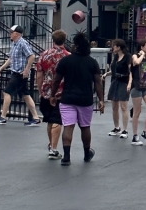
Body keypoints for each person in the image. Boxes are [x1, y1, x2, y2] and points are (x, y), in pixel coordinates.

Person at [52, 32, 103, 165]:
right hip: (85, 99)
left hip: (68, 98)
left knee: (68, 127)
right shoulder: (92, 63)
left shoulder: (66, 61)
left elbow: (56, 79)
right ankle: (86, 153)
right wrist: (101, 99)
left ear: (75, 47)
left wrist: (52, 94)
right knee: (85, 127)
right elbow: (98, 82)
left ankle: (66, 157)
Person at [0, 26, 40, 125]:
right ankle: (36, 118)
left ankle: (3, 117)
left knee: (7, 93)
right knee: (25, 95)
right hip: (16, 72)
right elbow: (11, 59)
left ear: (16, 34)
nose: (9, 34)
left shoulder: (22, 43)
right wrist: (0, 69)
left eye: (11, 32)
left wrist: (26, 70)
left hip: (19, 73)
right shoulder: (14, 44)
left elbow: (32, 56)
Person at [34, 30, 70, 159]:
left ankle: (51, 145)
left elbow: (39, 75)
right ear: (64, 40)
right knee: (57, 120)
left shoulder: (44, 55)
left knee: (49, 120)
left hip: (47, 90)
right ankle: (53, 149)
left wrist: (40, 90)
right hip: (61, 92)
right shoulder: (68, 56)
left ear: (53, 40)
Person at [106, 39, 131, 137]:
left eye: (114, 46)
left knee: (123, 106)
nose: (113, 48)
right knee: (114, 106)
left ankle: (125, 130)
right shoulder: (115, 57)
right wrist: (106, 74)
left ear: (119, 47)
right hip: (115, 81)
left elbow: (130, 71)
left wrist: (129, 83)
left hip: (123, 82)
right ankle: (117, 127)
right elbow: (113, 70)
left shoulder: (127, 57)